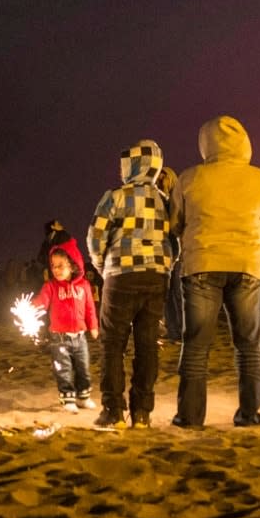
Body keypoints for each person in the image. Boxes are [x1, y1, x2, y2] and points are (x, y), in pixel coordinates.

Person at [170, 115, 260, 428]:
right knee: (248, 345)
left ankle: (189, 416)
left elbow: (176, 222)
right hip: (247, 266)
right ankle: (249, 413)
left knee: (196, 346)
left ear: (205, 144)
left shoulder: (190, 178)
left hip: (202, 264)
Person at [86, 139, 174, 429]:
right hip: (156, 277)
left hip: (120, 275)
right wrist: (165, 267)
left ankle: (113, 410)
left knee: (113, 345)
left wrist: (102, 266)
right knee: (147, 345)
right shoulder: (165, 200)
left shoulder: (116, 196)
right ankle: (141, 413)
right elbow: (176, 240)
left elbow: (96, 236)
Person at [30, 238, 99, 412]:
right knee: (64, 370)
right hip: (58, 338)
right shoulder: (50, 287)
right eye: (53, 265)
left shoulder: (84, 286)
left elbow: (90, 307)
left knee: (83, 368)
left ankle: (83, 397)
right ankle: (68, 399)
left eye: (61, 265)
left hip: (80, 337)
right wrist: (32, 307)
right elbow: (42, 302)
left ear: (73, 265)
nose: (56, 269)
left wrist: (94, 326)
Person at [157, 165, 185, 344]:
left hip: (179, 251)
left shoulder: (178, 197)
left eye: (163, 177)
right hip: (164, 252)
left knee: (178, 293)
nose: (160, 181)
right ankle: (173, 331)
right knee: (167, 294)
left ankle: (183, 331)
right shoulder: (158, 198)